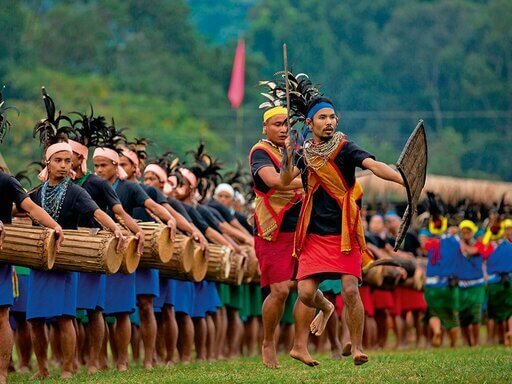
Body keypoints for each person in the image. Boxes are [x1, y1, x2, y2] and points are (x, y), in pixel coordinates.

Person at [280, 92, 404, 365]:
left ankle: (357, 347)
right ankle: (317, 320)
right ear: (310, 123)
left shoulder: (346, 148)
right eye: (322, 118)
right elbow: (286, 179)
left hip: (343, 233)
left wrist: (403, 181)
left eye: (332, 117)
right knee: (304, 293)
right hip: (312, 234)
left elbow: (373, 166)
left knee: (349, 290)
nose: (329, 122)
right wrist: (288, 154)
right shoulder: (303, 154)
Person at [28, 141, 124, 380]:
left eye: (67, 161)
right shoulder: (37, 193)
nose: (63, 166)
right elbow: (19, 207)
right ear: (47, 163)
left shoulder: (75, 191)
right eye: (58, 161)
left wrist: (115, 229)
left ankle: (68, 368)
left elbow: (97, 212)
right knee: (36, 319)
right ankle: (42, 367)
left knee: (65, 317)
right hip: (40, 260)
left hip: (65, 259)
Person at [68, 138, 144, 373]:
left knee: (96, 309)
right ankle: (75, 361)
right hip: (70, 249)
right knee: (72, 313)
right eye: (97, 165)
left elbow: (118, 212)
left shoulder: (98, 184)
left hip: (97, 249)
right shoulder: (62, 184)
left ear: (79, 157)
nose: (100, 169)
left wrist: (137, 231)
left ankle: (105, 360)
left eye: (68, 155)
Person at [249, 105, 316, 368]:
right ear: (265, 127)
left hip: (302, 225)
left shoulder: (298, 151)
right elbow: (275, 181)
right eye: (277, 124)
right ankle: (268, 341)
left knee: (307, 289)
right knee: (278, 291)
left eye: (286, 124)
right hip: (271, 230)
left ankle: (300, 345)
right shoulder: (260, 152)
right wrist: (312, 181)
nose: (283, 128)